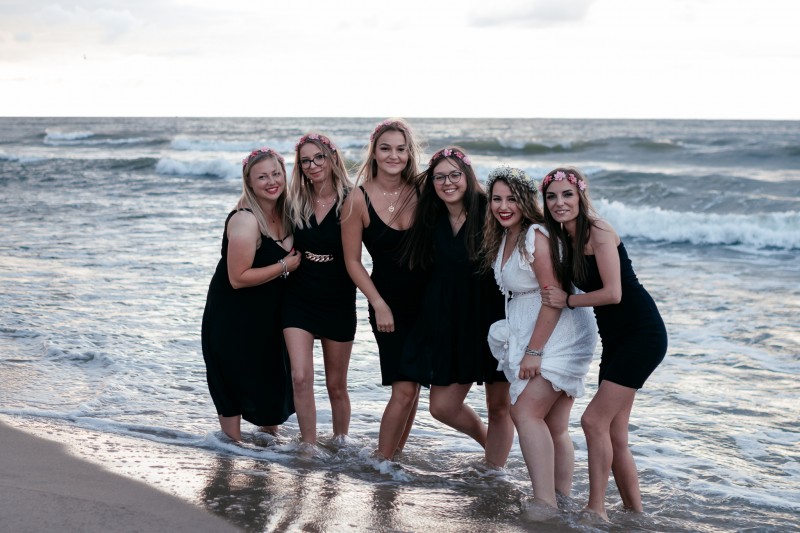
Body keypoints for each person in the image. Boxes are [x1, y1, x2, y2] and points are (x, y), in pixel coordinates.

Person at [539, 167, 668, 521]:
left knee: (593, 421)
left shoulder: (598, 231)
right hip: (614, 339)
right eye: (551, 196)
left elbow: (613, 293)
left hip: (642, 334)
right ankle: (635, 514)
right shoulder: (563, 238)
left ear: (580, 195)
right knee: (615, 433)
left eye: (567, 194)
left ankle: (597, 509)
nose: (560, 202)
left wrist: (567, 301)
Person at [482, 165, 597, 509]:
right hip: (540, 330)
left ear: (526, 200)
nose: (504, 206)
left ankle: (544, 503)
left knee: (524, 412)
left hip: (558, 333)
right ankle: (562, 500)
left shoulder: (535, 234)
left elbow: (553, 295)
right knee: (554, 423)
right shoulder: (506, 235)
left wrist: (534, 350)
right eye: (497, 199)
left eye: (512, 199)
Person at [401, 147, 514, 468]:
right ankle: (488, 441)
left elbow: (528, 237)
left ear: (467, 176)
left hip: (495, 319)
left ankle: (494, 473)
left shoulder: (489, 209)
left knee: (499, 406)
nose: (447, 182)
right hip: (450, 324)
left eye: (454, 175)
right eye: (440, 177)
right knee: (442, 407)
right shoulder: (429, 217)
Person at [341, 118, 427, 460]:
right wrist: (378, 303)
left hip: (427, 302)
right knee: (403, 388)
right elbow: (352, 262)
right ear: (374, 152)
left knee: (413, 388)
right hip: (388, 304)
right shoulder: (357, 199)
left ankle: (395, 458)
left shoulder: (423, 191)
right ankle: (381, 462)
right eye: (386, 148)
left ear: (409, 153)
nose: (394, 155)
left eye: (401, 149)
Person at [201, 147, 300, 441]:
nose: (271, 181)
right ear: (249, 182)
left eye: (276, 174)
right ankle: (228, 454)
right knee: (231, 391)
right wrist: (284, 265)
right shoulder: (245, 220)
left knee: (271, 391)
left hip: (268, 318)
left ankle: (268, 457)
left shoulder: (287, 212)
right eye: (262, 177)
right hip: (233, 319)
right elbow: (237, 278)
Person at [283, 133, 356, 446]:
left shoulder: (353, 199)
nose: (312, 165)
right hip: (298, 296)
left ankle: (341, 446)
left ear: (332, 157)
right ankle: (309, 448)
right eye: (305, 161)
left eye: (319, 157)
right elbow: (258, 209)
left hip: (338, 298)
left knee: (336, 386)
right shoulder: (293, 201)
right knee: (300, 378)